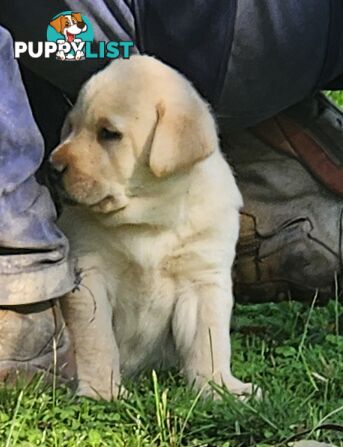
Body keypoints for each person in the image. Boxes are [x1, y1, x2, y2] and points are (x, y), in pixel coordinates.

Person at [0, 0, 342, 383]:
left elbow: (203, 292)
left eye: (108, 135)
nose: (62, 157)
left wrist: (213, 379)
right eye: (72, 128)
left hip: (226, 34)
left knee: (202, 281)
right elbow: (88, 283)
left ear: (173, 146)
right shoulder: (93, 211)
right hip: (272, 34)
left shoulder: (209, 200)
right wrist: (98, 383)